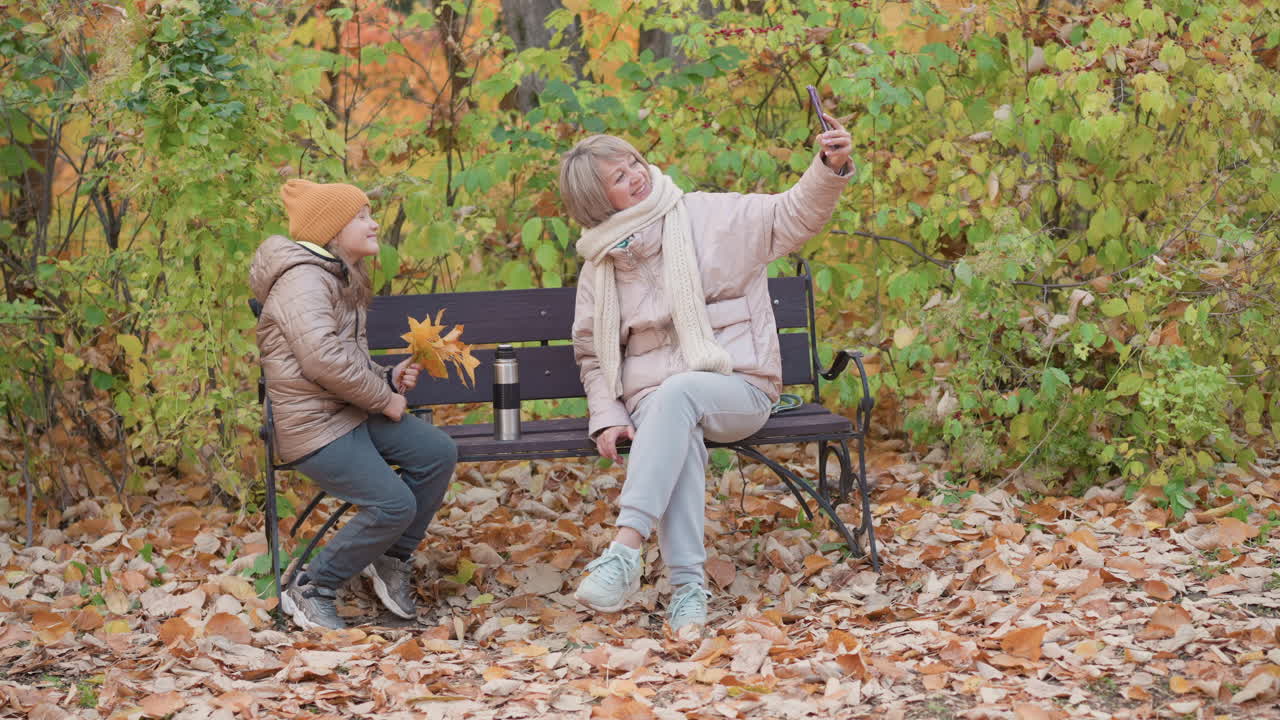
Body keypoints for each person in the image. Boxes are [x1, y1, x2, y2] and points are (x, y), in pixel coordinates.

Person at [559, 115, 854, 632]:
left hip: (737, 384)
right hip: (658, 400)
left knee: (680, 399)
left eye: (633, 162)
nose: (636, 175)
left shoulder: (707, 216)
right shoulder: (599, 266)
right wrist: (607, 413)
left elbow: (791, 214)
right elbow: (591, 351)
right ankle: (688, 593)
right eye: (618, 177)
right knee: (676, 422)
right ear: (596, 202)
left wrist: (829, 166)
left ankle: (626, 548)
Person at [249, 179, 458, 630]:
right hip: (314, 427)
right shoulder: (303, 279)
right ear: (332, 229)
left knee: (436, 452)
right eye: (361, 216)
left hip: (346, 412)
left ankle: (390, 558)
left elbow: (341, 358)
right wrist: (384, 398)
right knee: (393, 505)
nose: (374, 223)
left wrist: (385, 377)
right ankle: (311, 588)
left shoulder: (334, 274)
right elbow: (321, 359)